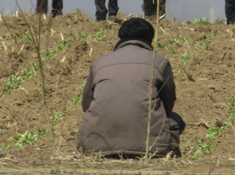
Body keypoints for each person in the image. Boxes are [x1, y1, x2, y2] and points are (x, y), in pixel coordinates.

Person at [77, 17, 185, 157]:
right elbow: (168, 105)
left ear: (120, 39)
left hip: (94, 146)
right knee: (176, 119)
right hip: (151, 149)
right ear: (150, 40)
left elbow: (86, 105)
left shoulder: (99, 62)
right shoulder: (160, 62)